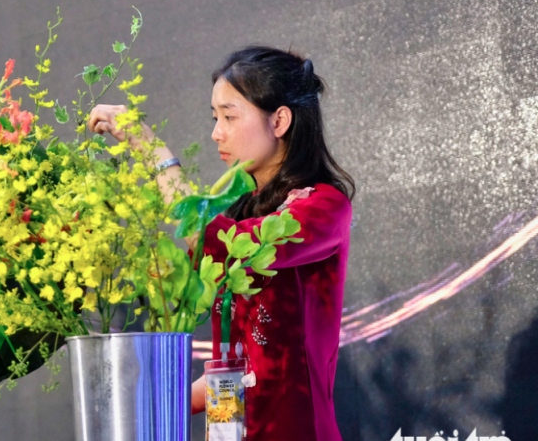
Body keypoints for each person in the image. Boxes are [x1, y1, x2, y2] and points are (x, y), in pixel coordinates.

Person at [89, 46, 355, 441]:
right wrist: (145, 401)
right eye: (215, 118)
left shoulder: (323, 206)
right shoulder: (238, 213)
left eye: (230, 117)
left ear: (279, 120)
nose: (217, 132)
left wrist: (153, 152)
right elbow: (234, 372)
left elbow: (220, 245)